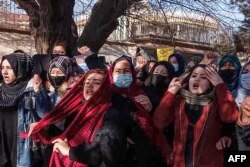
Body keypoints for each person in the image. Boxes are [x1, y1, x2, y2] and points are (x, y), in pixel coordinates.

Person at [31, 69, 129, 167]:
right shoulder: (75, 108)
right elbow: (59, 131)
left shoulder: (112, 113)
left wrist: (70, 151)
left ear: (105, 88)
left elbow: (106, 150)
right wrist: (42, 127)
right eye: (87, 82)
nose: (90, 86)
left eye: (97, 83)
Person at [153, 64, 239, 167]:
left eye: (203, 77)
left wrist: (220, 85)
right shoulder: (178, 102)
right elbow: (159, 123)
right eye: (193, 76)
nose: (197, 79)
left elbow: (231, 117)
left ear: (211, 83)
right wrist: (170, 93)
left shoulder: (216, 103)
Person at [109, 55, 169, 167]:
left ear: (132, 73)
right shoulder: (106, 96)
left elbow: (160, 118)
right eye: (118, 71)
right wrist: (119, 135)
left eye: (126, 71)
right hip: (117, 154)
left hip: (144, 152)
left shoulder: (143, 91)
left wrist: (151, 107)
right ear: (111, 74)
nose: (122, 74)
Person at [0, 53, 51, 167]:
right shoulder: (1, 90)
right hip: (3, 145)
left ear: (21, 68)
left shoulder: (31, 90)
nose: (4, 72)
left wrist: (38, 92)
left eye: (9, 68)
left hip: (21, 146)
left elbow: (45, 115)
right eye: (2, 67)